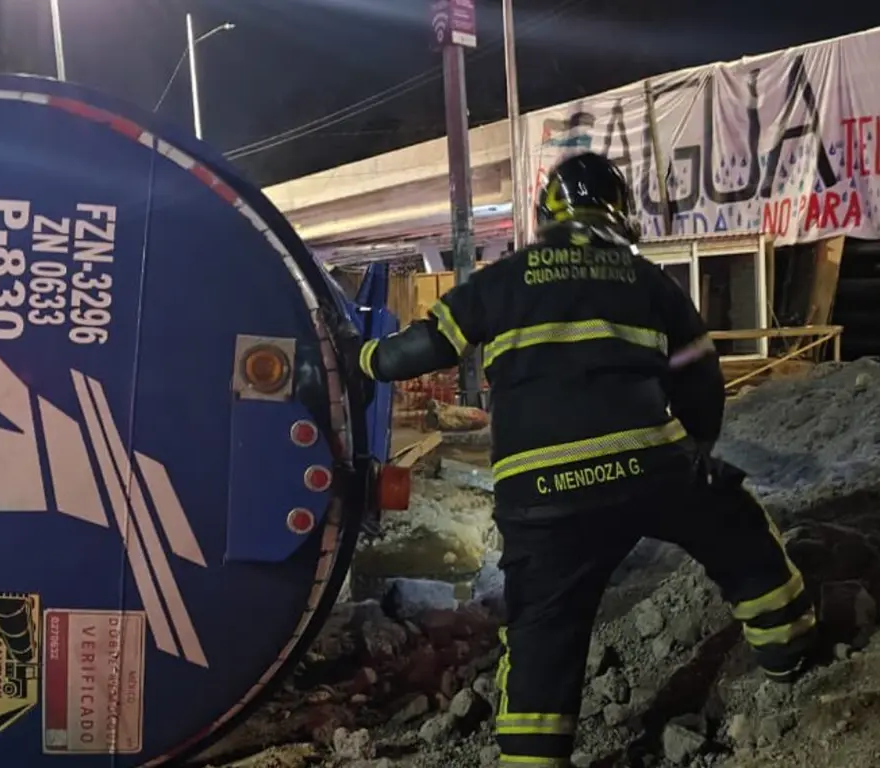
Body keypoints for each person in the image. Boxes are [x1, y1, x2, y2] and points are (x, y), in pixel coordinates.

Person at [346, 152, 818, 766]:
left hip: (542, 497)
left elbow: (423, 347)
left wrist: (363, 362)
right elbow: (699, 375)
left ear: (547, 217)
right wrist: (699, 448)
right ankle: (791, 655)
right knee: (740, 533)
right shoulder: (646, 281)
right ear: (618, 213)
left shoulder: (505, 278)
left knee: (543, 636)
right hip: (649, 468)